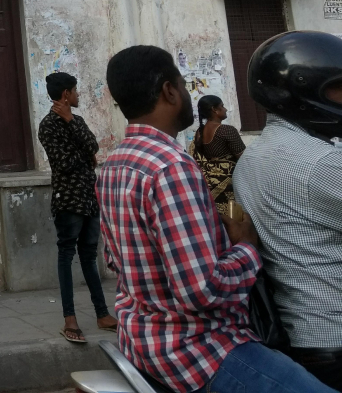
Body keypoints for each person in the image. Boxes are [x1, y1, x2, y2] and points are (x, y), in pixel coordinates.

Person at [98, 45, 332, 393]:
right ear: (169, 90)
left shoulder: (114, 163)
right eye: (182, 80)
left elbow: (115, 259)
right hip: (200, 349)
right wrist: (247, 248)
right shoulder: (174, 166)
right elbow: (200, 290)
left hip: (143, 339)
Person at [233, 31, 342, 390]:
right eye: (336, 88)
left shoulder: (251, 158)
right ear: (303, 91)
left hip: (300, 336)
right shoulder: (322, 164)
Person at [37, 72, 117, 344]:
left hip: (88, 197)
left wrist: (73, 123)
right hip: (68, 200)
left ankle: (102, 314)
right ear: (65, 95)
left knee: (89, 256)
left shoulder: (76, 121)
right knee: (66, 255)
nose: (78, 95)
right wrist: (84, 153)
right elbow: (65, 163)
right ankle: (69, 318)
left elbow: (93, 146)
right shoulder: (48, 126)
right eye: (75, 90)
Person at [189, 95, 246, 216]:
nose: (225, 109)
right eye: (222, 106)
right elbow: (244, 159)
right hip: (230, 188)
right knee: (235, 221)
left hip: (210, 187)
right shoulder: (226, 130)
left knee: (219, 223)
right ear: (215, 109)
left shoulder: (199, 132)